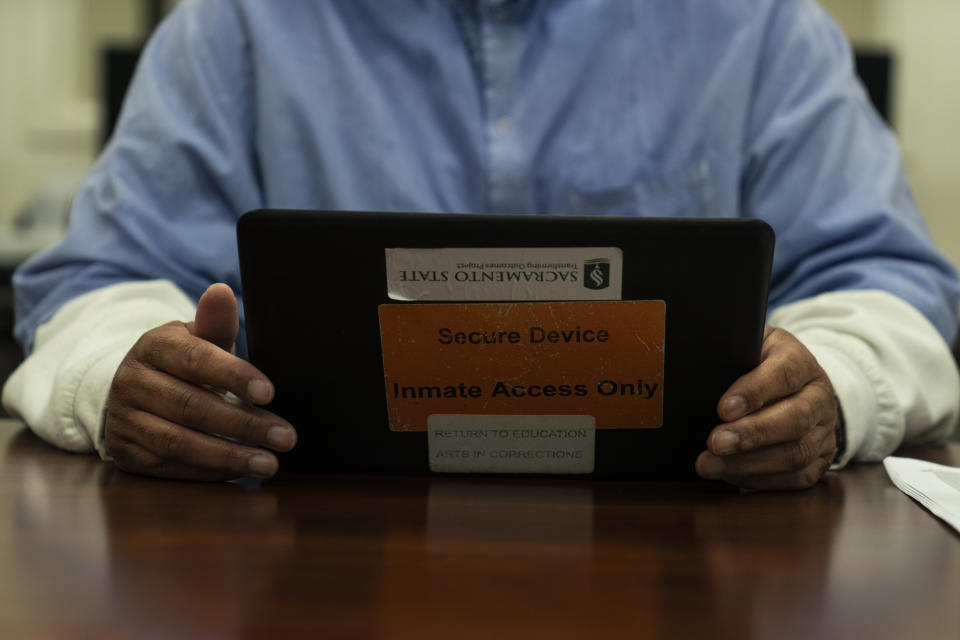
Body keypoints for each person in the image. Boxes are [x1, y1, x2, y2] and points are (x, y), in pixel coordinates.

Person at [2, 0, 958, 489]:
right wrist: (116, 374)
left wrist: (835, 380)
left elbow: (887, 278)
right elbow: (103, 274)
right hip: (305, 559)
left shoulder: (760, 27)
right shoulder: (236, 26)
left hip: (701, 556)